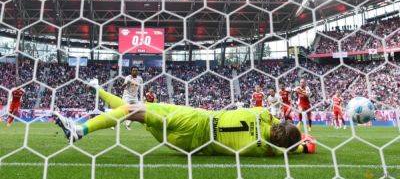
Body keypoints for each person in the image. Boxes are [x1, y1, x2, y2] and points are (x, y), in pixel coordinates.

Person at [53, 88, 316, 156]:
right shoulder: (262, 149)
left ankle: (80, 129)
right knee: (132, 110)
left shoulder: (261, 114)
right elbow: (286, 150)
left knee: (132, 109)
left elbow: (286, 128)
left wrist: (304, 138)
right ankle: (97, 90)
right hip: (185, 146)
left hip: (194, 120)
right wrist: (303, 147)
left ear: (280, 122)